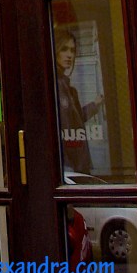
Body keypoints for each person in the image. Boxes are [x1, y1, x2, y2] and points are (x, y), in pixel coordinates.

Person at [55, 29, 104, 174]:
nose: (69, 55)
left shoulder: (70, 90)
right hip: (69, 168)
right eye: (64, 49)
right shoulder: (55, 86)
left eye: (72, 50)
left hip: (78, 165)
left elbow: (76, 121)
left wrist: (95, 105)